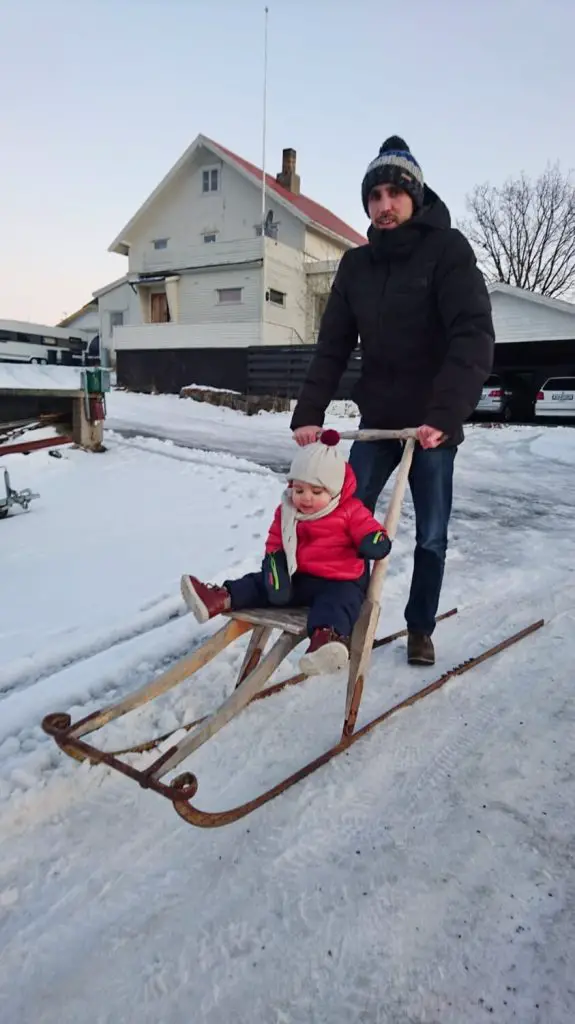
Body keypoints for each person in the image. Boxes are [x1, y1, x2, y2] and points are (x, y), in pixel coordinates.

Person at [290, 136, 495, 667]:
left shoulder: (448, 251)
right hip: (379, 422)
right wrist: (309, 413)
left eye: (395, 194)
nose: (384, 205)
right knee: (342, 521)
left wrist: (445, 415)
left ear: (416, 197)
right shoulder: (356, 266)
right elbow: (333, 345)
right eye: (375, 195)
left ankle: (420, 627)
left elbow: (471, 335)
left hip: (432, 426)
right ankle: (336, 618)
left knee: (429, 535)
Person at [180, 431, 392, 677]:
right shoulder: (287, 511)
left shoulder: (350, 511)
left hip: (340, 581)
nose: (306, 498)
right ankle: (219, 599)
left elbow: (371, 530)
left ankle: (325, 640)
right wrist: (275, 570)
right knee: (258, 583)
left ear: (334, 491)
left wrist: (373, 541)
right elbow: (275, 542)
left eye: (316, 491)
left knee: (337, 605)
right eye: (299, 490)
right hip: (299, 577)